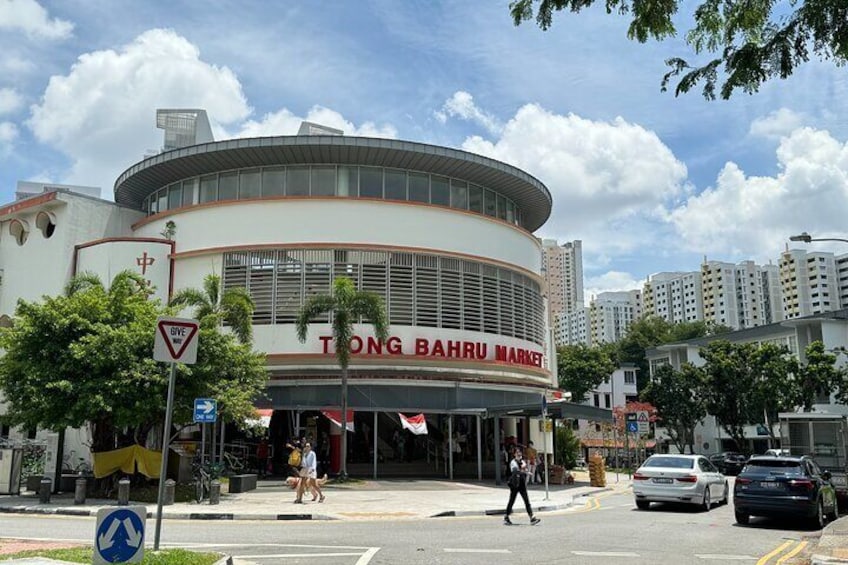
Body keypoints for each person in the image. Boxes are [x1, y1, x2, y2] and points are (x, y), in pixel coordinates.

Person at [504, 449, 539, 526]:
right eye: (517, 454)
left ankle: (532, 517)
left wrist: (526, 471)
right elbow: (515, 471)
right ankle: (506, 517)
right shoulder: (513, 462)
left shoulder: (522, 462)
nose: (519, 455)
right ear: (514, 455)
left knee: (526, 501)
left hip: (522, 484)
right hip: (515, 484)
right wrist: (523, 470)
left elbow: (525, 469)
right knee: (512, 500)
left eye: (520, 454)